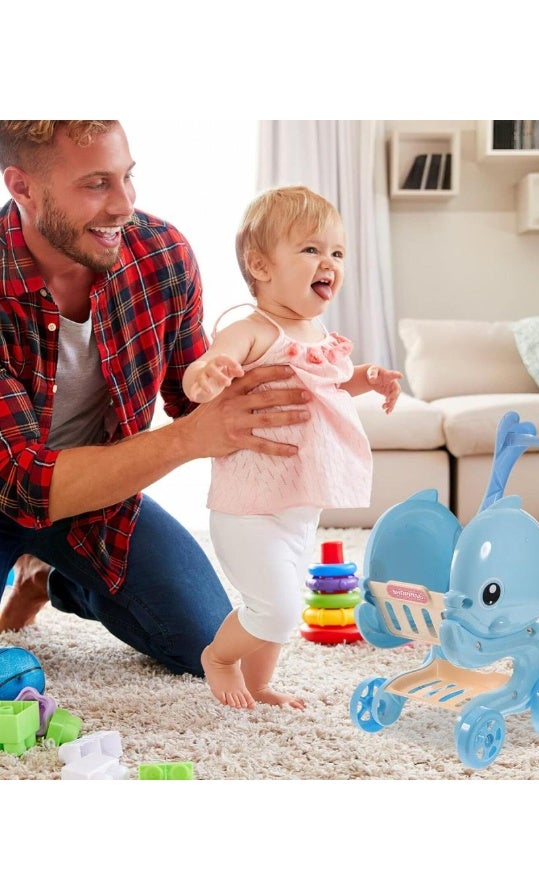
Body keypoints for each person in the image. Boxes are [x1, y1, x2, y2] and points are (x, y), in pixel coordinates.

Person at [0, 120, 313, 677]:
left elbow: (193, 396)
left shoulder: (159, 254)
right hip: (3, 497)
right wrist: (193, 437)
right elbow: (21, 484)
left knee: (205, 645)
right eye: (97, 184)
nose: (124, 204)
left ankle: (46, 577)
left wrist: (272, 370)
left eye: (128, 177)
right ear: (22, 187)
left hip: (98, 501)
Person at [183, 185, 402, 710]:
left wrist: (367, 377)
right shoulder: (252, 329)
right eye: (311, 250)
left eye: (337, 252)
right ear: (261, 266)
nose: (328, 262)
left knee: (279, 603)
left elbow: (331, 386)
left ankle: (260, 685)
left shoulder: (317, 332)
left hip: (298, 505)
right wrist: (207, 376)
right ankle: (219, 657)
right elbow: (202, 371)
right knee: (277, 610)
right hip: (250, 507)